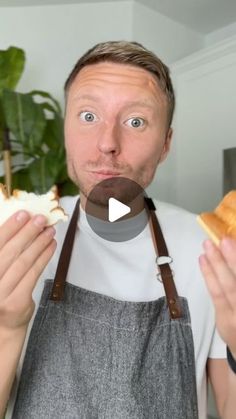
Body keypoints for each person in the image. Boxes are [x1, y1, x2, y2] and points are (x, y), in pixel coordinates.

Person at [1, 41, 236, 419]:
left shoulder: (209, 250)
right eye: (88, 116)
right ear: (65, 130)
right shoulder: (18, 238)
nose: (108, 144)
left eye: (136, 122)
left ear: (165, 145)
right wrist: (6, 327)